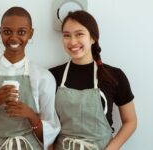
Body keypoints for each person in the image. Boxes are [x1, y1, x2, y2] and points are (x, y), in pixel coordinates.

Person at [0, 6, 60, 150]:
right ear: (0, 32)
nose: (14, 38)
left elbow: (48, 136)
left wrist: (31, 115)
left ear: (31, 33)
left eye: (21, 32)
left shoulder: (43, 77)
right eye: (7, 32)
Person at [50, 10, 137, 150]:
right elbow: (48, 124)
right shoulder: (52, 76)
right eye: (67, 35)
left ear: (93, 38)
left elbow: (130, 121)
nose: (72, 42)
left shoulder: (114, 75)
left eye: (79, 34)